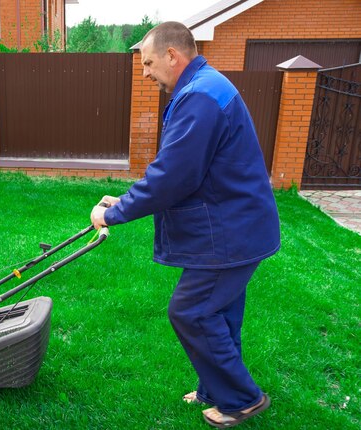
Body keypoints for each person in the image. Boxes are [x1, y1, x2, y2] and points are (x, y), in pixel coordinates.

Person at [90, 22, 280, 428]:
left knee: (191, 312)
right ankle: (217, 389)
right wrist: (125, 198)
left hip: (230, 233)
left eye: (148, 62)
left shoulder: (200, 98)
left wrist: (113, 213)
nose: (145, 72)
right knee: (220, 313)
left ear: (173, 56)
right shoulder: (205, 88)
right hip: (236, 226)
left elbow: (174, 176)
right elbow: (181, 168)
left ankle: (242, 399)